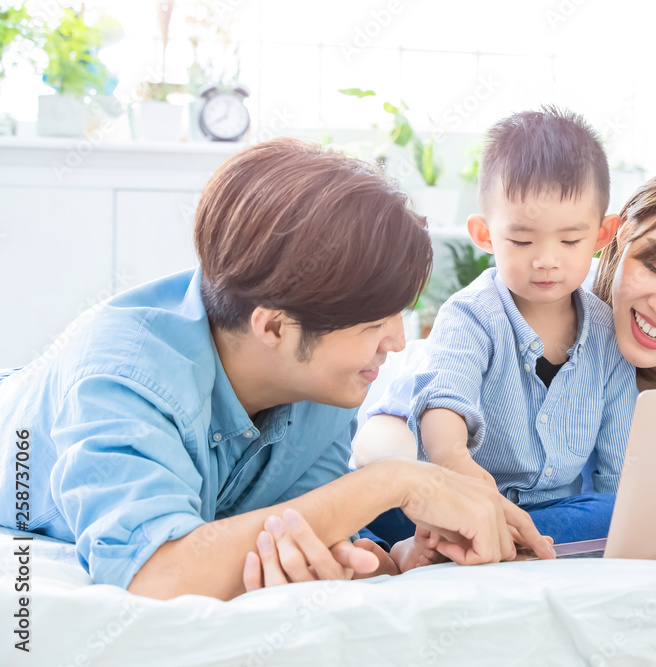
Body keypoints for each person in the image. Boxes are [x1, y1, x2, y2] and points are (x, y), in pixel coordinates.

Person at [0, 138, 554, 602]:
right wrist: (395, 481)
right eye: (372, 324)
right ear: (272, 328)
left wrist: (402, 557)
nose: (395, 342)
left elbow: (315, 527)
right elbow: (155, 575)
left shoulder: (324, 385)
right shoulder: (122, 373)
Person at [355, 152, 656, 566]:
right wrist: (444, 480)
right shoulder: (543, 298)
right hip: (418, 486)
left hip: (554, 515)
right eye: (654, 265)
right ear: (616, 235)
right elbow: (391, 433)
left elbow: (646, 502)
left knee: (627, 513)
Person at [368, 108, 637, 569]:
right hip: (447, 499)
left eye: (570, 241)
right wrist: (457, 464)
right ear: (485, 235)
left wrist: (627, 517)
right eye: (522, 241)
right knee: (382, 507)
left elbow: (617, 465)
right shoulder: (471, 315)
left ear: (602, 235)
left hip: (551, 510)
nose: (546, 260)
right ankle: (451, 543)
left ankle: (497, 544)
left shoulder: (609, 333)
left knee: (620, 512)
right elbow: (443, 403)